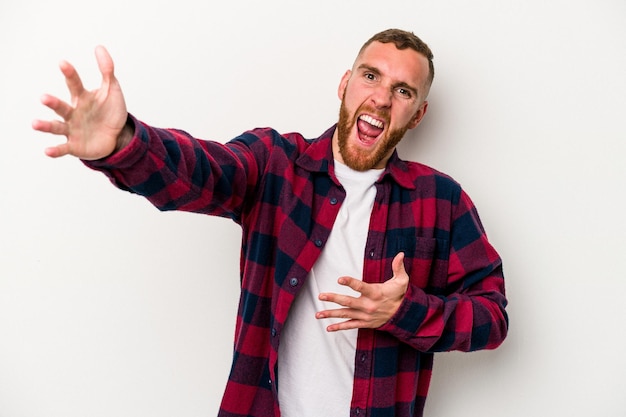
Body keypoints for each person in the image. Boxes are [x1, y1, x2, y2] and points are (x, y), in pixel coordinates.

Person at [33, 29, 508, 417]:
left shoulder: (440, 200)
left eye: (402, 90)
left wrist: (404, 311)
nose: (381, 98)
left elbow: (492, 318)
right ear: (345, 84)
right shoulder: (276, 164)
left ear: (418, 113)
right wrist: (125, 144)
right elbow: (202, 173)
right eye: (371, 76)